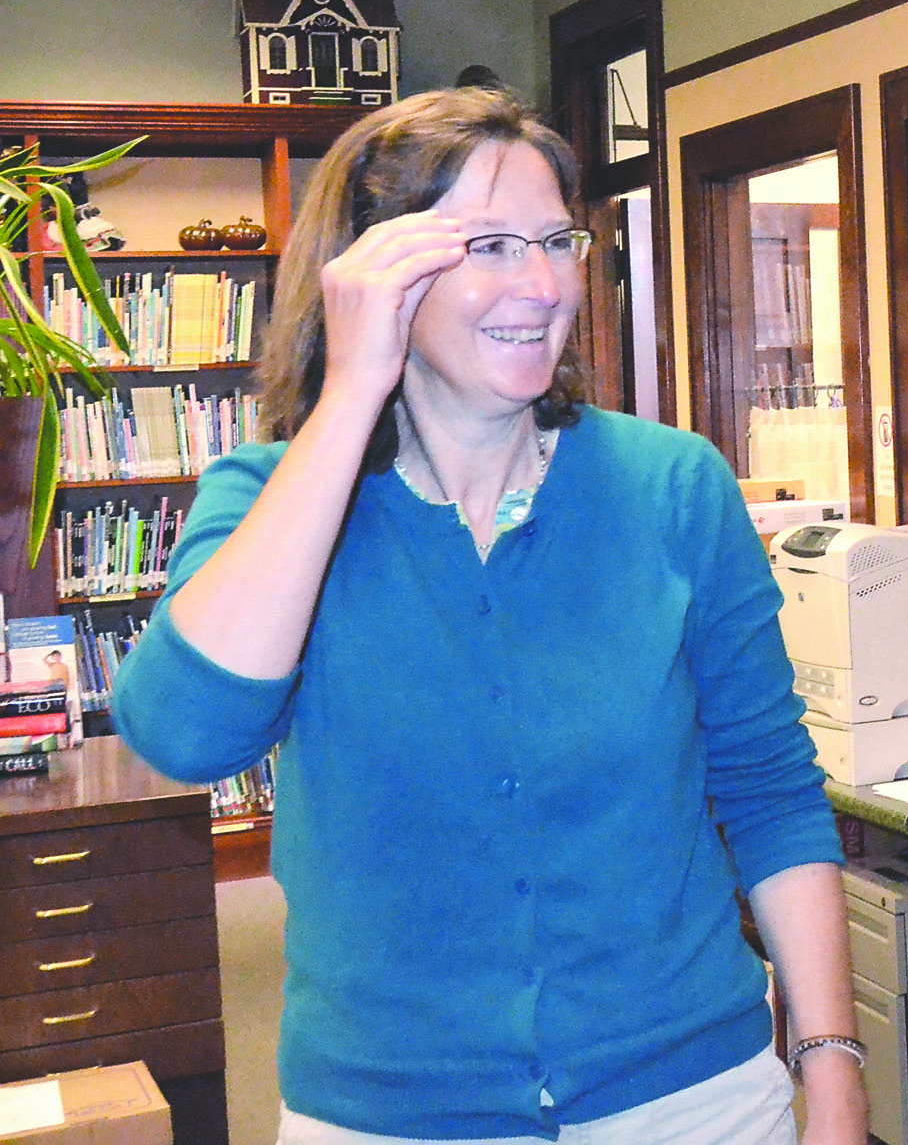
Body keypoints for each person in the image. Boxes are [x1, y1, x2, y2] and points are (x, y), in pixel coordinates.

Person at [113, 89, 866, 1145]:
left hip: (693, 1095)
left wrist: (830, 1066)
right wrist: (349, 395)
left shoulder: (673, 488)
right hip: (387, 1113)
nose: (546, 284)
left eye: (558, 240)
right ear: (375, 272)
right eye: (491, 245)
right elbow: (187, 734)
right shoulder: (273, 501)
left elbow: (770, 790)